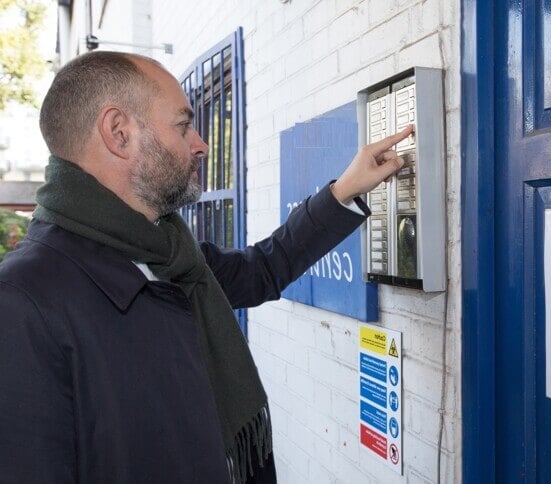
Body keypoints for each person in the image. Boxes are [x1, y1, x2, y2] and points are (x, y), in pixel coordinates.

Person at [0, 51, 412, 484]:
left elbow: (261, 270)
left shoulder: (169, 254)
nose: (201, 143)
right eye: (183, 125)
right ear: (118, 133)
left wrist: (345, 189)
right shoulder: (23, 301)